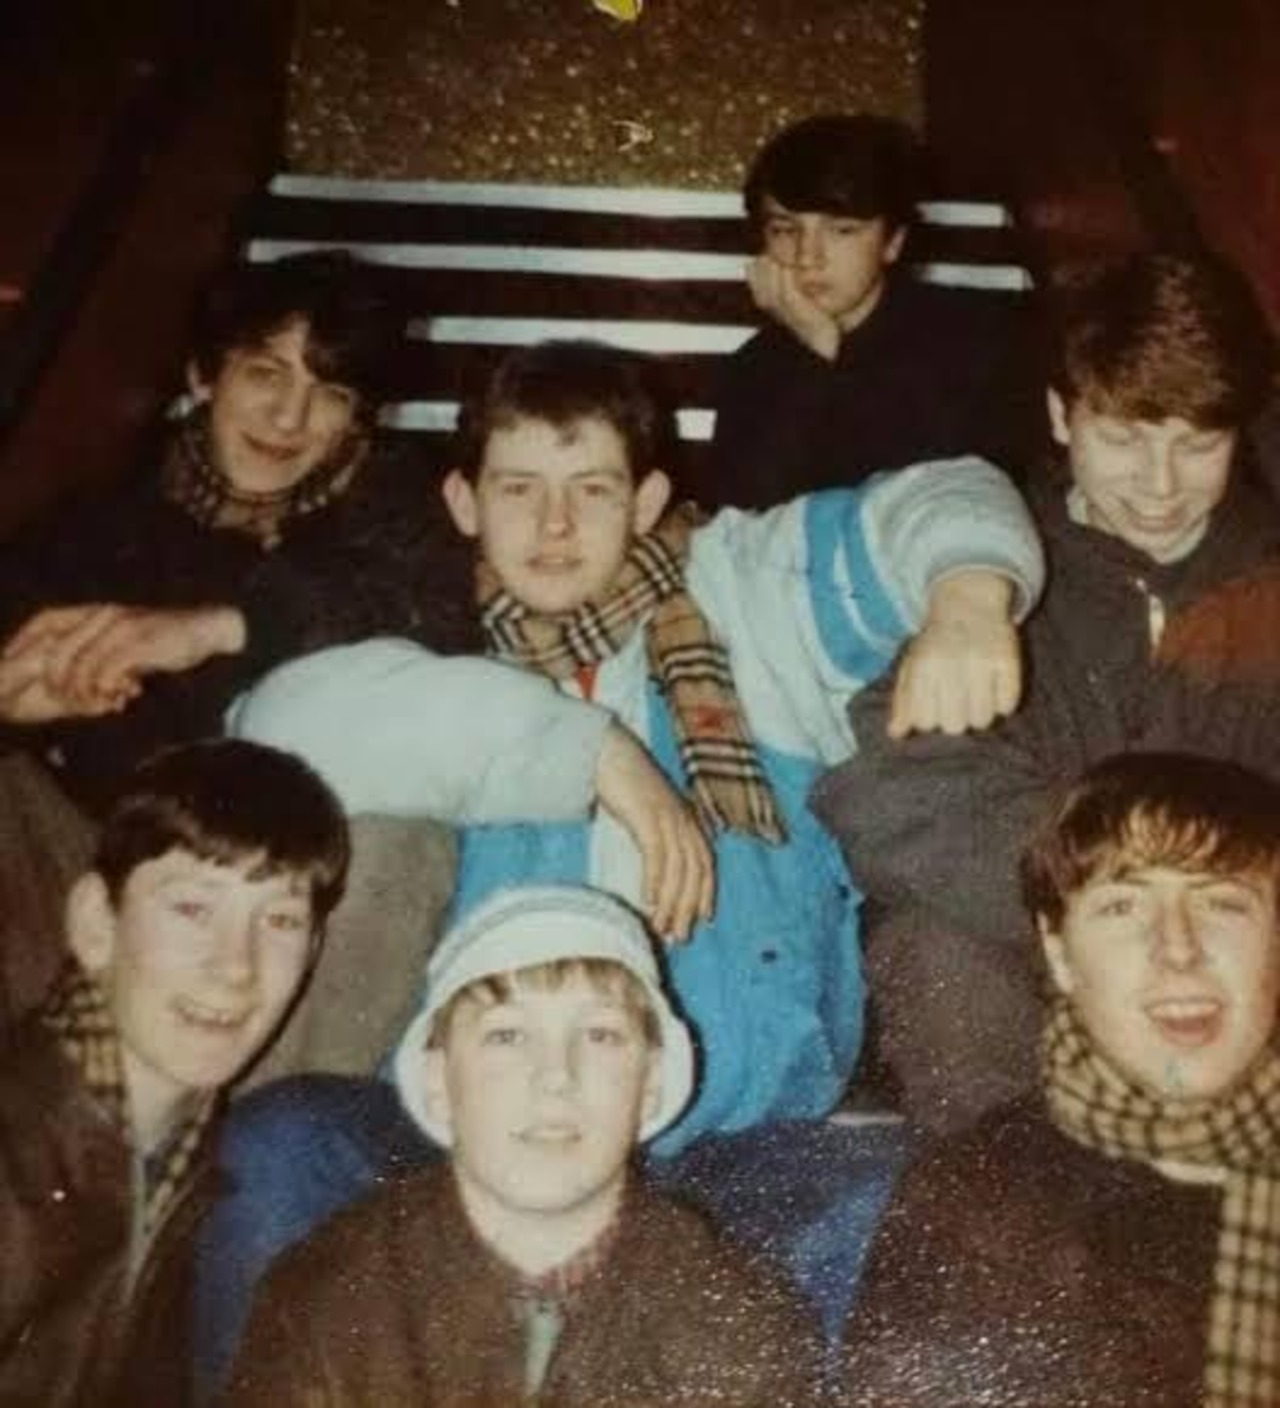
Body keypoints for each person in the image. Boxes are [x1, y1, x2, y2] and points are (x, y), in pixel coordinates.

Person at [232, 335, 1044, 1150]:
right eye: (519, 488)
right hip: (489, 1141)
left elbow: (950, 490)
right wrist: (600, 755)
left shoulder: (746, 586)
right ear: (464, 502)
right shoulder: (429, 619)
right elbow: (272, 724)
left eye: (592, 488)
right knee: (284, 1149)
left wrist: (968, 601)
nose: (554, 525)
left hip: (745, 1130)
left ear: (647, 500)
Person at [815, 250, 1280, 1132]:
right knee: (933, 948)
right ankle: (1007, 1191)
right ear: (1063, 417)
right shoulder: (988, 568)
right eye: (1125, 438)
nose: (1160, 485)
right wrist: (1106, 905)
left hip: (1237, 952)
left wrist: (1199, 910)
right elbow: (884, 789)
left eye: (1197, 444)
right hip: (1046, 939)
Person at [0, 249, 475, 1035]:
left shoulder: (398, 506)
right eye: (265, 373)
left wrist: (213, 628)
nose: (289, 418)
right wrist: (17, 706)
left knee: (406, 842)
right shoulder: (100, 521)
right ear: (203, 375)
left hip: (291, 886)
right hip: (109, 867)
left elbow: (438, 620)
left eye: (330, 394)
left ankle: (271, 1114)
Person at [223, 885, 824, 1407]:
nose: (555, 1075)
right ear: (437, 1083)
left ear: (651, 1086)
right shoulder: (327, 1298)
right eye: (507, 1036)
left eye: (600, 1035)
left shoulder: (741, 1324)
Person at [840, 752, 1280, 1408]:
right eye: (1123, 906)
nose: (1179, 948)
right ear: (1060, 951)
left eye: (1222, 903)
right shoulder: (979, 1205)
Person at [0, 738, 350, 1408]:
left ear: (311, 955)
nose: (236, 965)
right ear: (96, 923)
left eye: (280, 920)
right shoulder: (20, 1151)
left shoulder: (180, 1157)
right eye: (193, 908)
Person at [708, 112, 1039, 509]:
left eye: (842, 229)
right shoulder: (752, 367)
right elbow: (745, 515)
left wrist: (826, 362)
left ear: (893, 241)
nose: (808, 256)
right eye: (784, 229)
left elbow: (940, 497)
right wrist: (813, 353)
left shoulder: (975, 339)